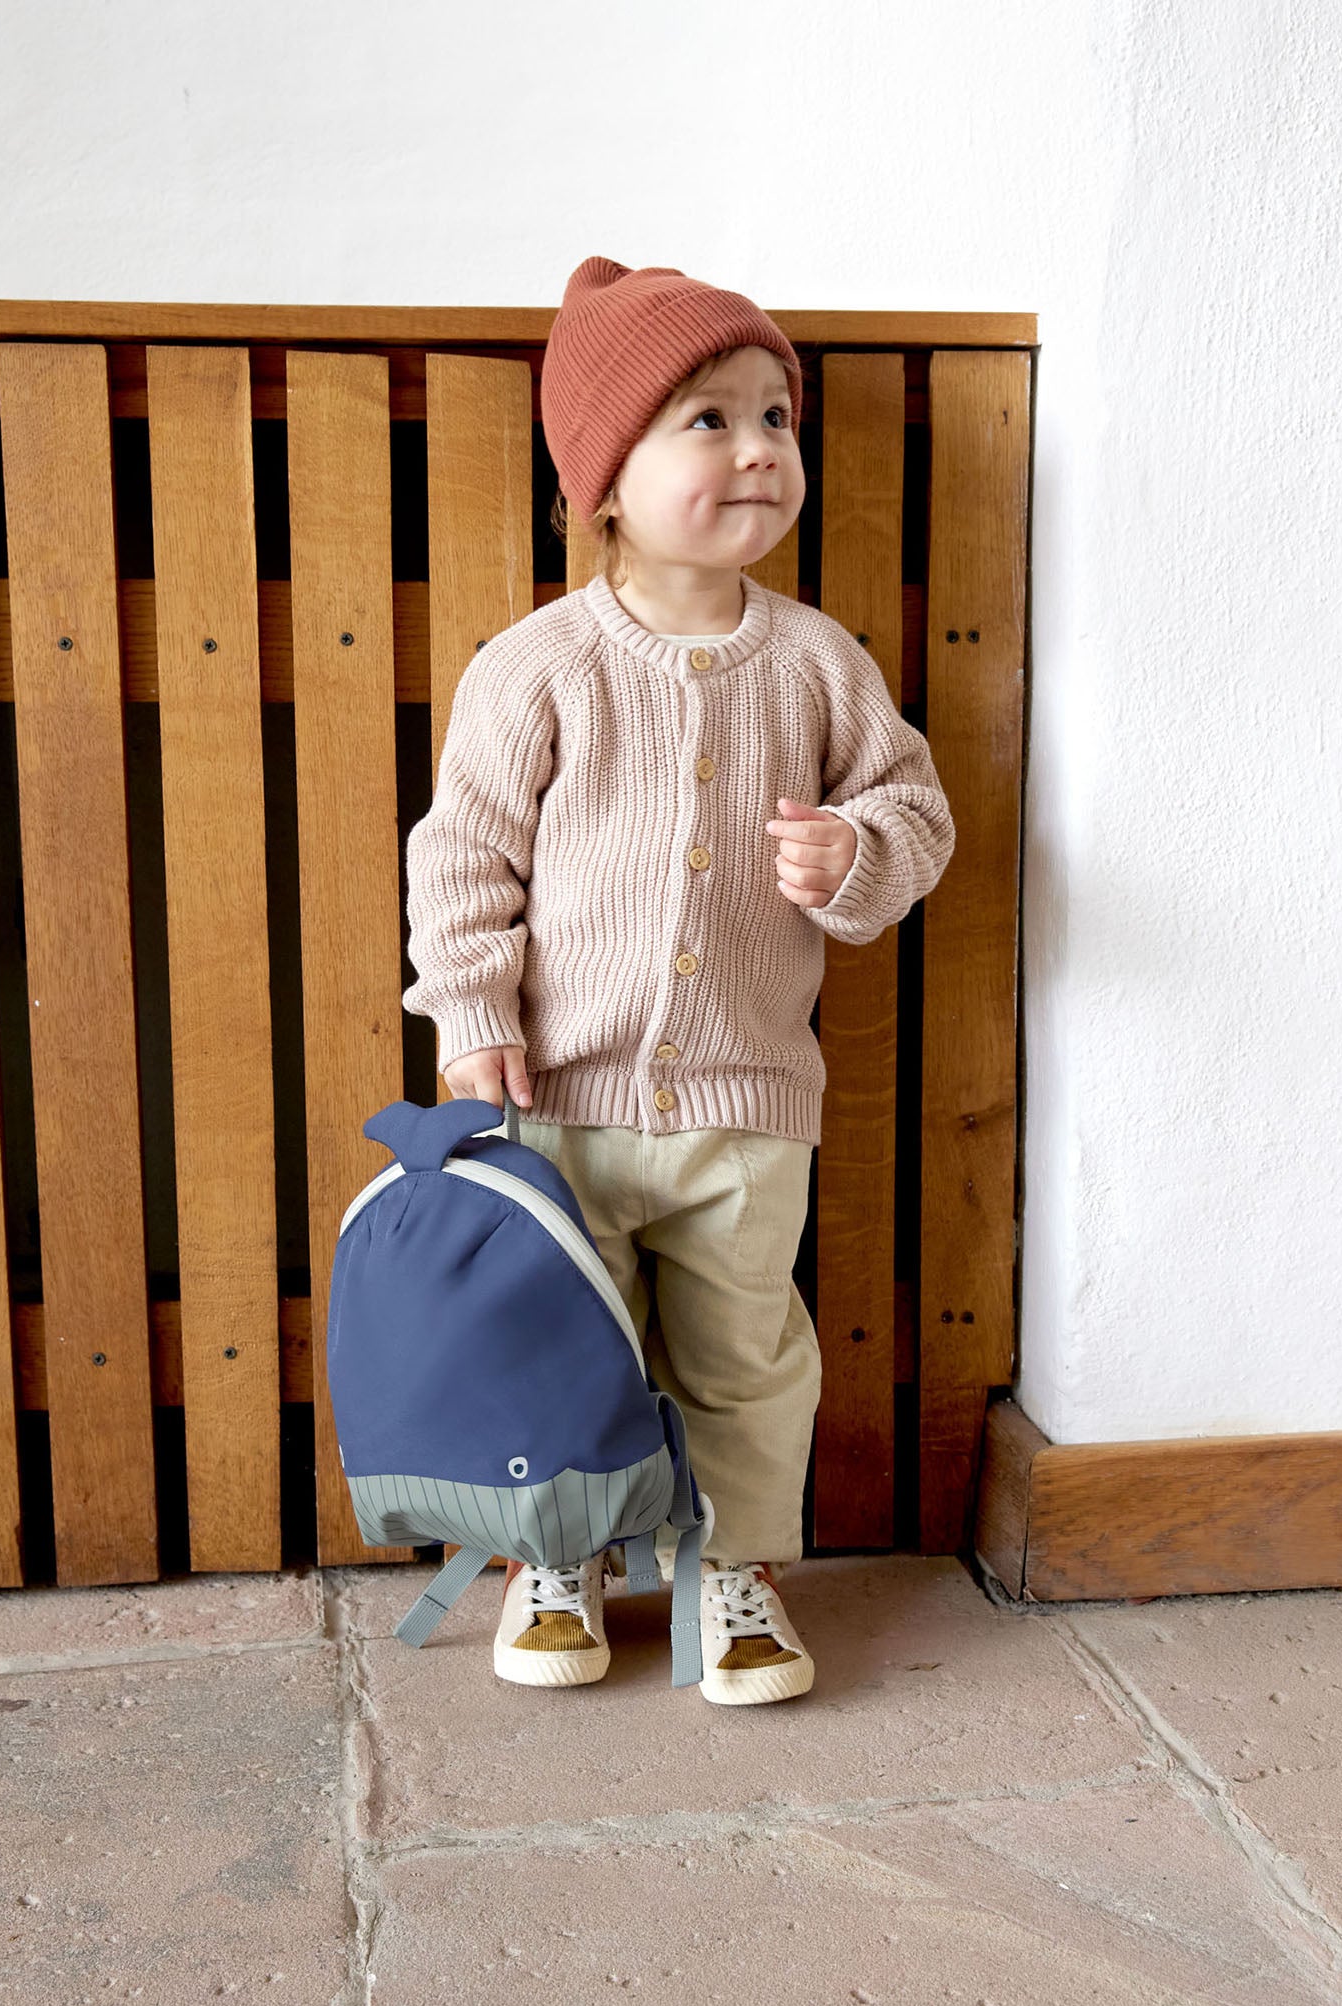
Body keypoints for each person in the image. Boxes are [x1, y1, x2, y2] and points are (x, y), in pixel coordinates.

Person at [401, 254, 956, 1706]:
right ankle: (559, 1559)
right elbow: (463, 860)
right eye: (708, 420)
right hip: (556, 1102)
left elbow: (917, 813)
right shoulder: (539, 669)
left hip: (746, 1104)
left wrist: (855, 856)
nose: (762, 447)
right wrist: (471, 1026)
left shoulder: (820, 665)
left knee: (745, 1356)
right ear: (605, 476)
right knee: (564, 1349)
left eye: (776, 416)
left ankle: (738, 1570)